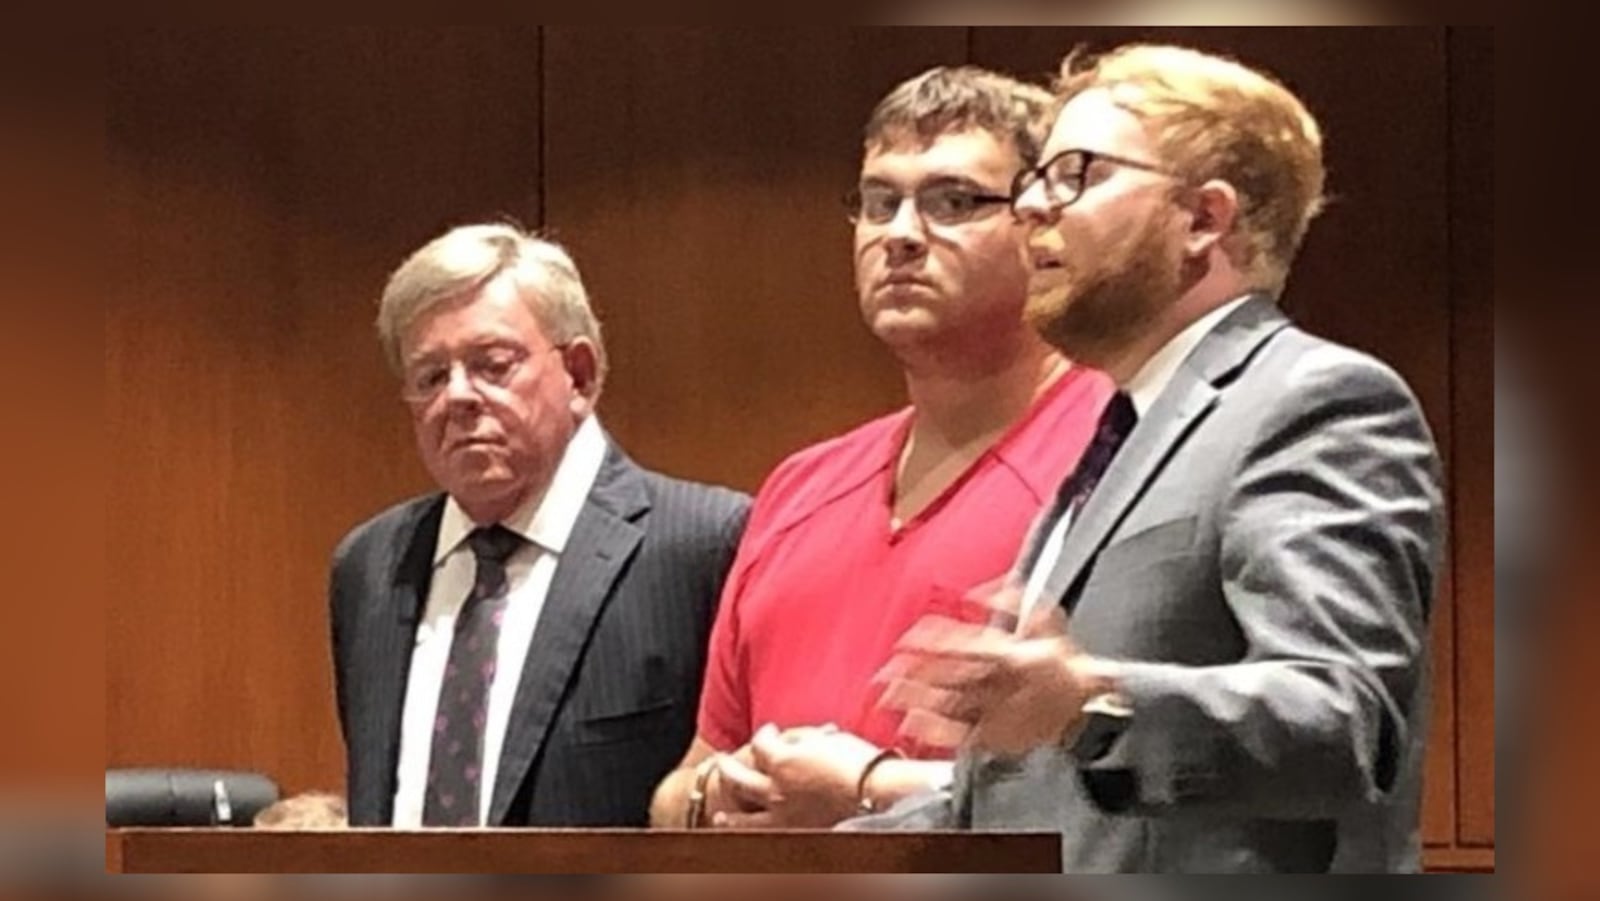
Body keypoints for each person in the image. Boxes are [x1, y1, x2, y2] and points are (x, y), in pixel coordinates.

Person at [868, 44, 1445, 872]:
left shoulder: (1314, 399)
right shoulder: (1123, 431)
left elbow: (1345, 724)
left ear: (1203, 220)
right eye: (1036, 178)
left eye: (1076, 174)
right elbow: (1038, 799)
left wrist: (1089, 702)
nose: (1033, 206)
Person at [650, 67, 1113, 829]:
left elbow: (1130, 786)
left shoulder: (1120, 451)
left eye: (952, 201)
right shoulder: (799, 486)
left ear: (1039, 224)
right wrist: (717, 794)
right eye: (878, 201)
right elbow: (680, 789)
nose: (899, 234)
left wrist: (869, 791)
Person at [330, 223, 750, 828]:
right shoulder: (371, 565)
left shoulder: (704, 543)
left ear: (579, 374)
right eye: (429, 378)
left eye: (492, 366)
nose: (458, 397)